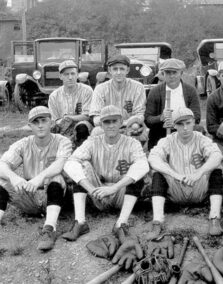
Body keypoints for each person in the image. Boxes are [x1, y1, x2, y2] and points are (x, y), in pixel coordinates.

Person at [63, 105, 149, 241]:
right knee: (80, 166)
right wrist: (90, 188)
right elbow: (70, 163)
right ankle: (80, 222)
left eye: (114, 121)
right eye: (107, 122)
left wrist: (114, 188)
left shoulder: (132, 143)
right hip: (98, 193)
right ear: (101, 125)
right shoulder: (92, 141)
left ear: (121, 123)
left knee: (137, 173)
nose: (111, 125)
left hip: (121, 191)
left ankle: (121, 224)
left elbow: (143, 166)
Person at [0, 106, 72, 251]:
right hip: (31, 197)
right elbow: (2, 164)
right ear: (30, 126)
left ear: (51, 122)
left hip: (57, 197)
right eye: (36, 122)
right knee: (4, 181)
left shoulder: (62, 141)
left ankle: (49, 229)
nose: (40, 125)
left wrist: (38, 178)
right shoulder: (23, 143)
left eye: (44, 121)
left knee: (55, 177)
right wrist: (14, 177)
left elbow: (59, 165)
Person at [146, 107, 223, 237]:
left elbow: (217, 156)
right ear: (174, 125)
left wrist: (199, 173)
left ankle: (214, 217)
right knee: (158, 174)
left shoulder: (201, 139)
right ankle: (157, 221)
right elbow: (153, 158)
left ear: (194, 122)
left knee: (216, 169)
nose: (185, 128)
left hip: (199, 188)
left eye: (188, 123)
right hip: (176, 188)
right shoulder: (167, 140)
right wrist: (174, 174)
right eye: (180, 124)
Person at [145, 58, 201, 150]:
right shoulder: (154, 92)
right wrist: (161, 117)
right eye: (168, 73)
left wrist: (178, 121)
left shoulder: (190, 91)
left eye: (174, 72)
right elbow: (148, 120)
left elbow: (197, 117)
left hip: (185, 133)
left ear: (181, 73)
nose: (171, 76)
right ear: (163, 74)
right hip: (161, 135)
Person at [89, 55, 147, 140]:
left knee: (138, 131)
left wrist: (126, 124)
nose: (118, 72)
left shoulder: (138, 87)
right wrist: (113, 125)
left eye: (122, 69)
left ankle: (137, 153)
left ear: (127, 70)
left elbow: (139, 115)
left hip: (130, 125)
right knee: (96, 132)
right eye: (115, 69)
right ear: (109, 71)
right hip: (107, 126)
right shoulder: (100, 89)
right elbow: (96, 118)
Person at [48, 60, 93, 148]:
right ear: (60, 76)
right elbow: (54, 120)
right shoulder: (54, 96)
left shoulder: (87, 90)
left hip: (82, 127)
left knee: (82, 127)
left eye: (73, 74)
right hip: (62, 128)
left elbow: (87, 116)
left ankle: (82, 151)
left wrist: (69, 117)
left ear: (77, 75)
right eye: (66, 74)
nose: (70, 77)